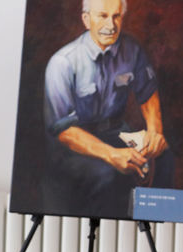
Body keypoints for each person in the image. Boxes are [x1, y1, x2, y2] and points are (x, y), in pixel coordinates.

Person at [43, 0, 173, 217]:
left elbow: (148, 93)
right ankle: (118, 230)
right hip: (76, 144)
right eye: (103, 16)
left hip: (116, 132)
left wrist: (154, 134)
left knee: (164, 156)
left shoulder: (132, 50)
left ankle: (153, 221)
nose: (111, 25)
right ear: (86, 20)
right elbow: (65, 130)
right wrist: (112, 155)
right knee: (108, 175)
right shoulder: (62, 63)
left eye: (116, 16)